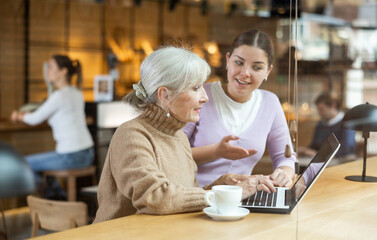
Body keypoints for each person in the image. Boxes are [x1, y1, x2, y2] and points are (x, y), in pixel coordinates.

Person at [93, 46, 275, 223]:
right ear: (164, 95)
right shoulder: (132, 135)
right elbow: (155, 198)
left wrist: (223, 185)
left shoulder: (178, 136)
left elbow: (183, 197)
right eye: (196, 88)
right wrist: (220, 195)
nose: (205, 97)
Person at [183, 29, 296, 188]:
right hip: (193, 199)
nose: (245, 73)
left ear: (267, 71)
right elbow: (171, 154)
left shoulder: (270, 102)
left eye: (257, 68)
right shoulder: (199, 94)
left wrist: (285, 173)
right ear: (228, 61)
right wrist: (216, 151)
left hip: (240, 201)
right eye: (239, 62)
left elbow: (286, 158)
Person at [11, 55, 94, 199]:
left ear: (63, 72)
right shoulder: (76, 93)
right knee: (42, 168)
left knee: (23, 163)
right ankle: (56, 198)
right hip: (88, 153)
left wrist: (18, 116)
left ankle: (56, 201)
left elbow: (34, 119)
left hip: (70, 156)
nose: (47, 71)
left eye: (51, 67)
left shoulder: (59, 96)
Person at [298, 92, 356, 158]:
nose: (319, 113)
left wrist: (316, 154)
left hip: (339, 163)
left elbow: (345, 151)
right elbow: (314, 145)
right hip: (320, 162)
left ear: (333, 105)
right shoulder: (321, 124)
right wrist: (305, 150)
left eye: (321, 109)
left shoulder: (347, 124)